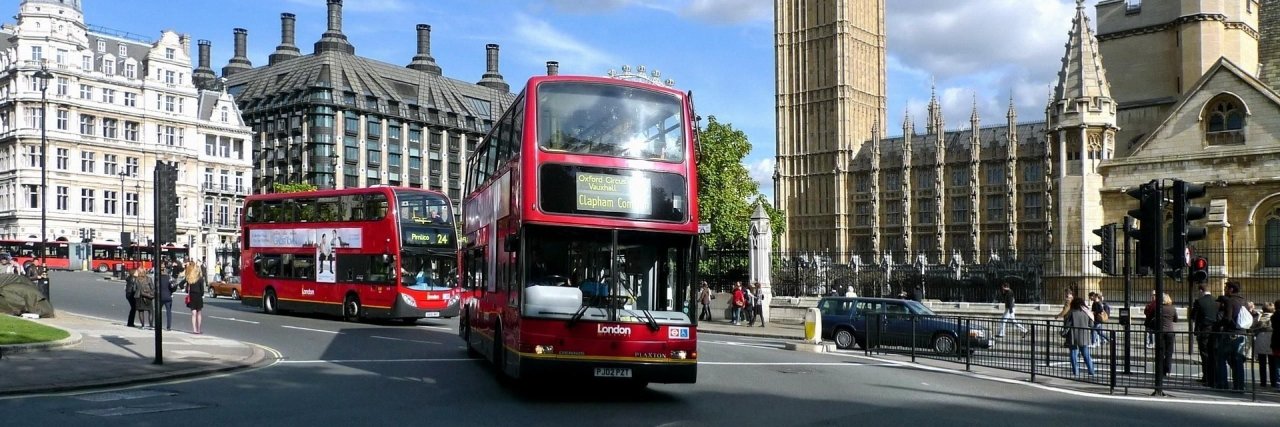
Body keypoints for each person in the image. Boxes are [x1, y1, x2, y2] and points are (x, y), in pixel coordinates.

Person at [1215, 281, 1249, 390]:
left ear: (1231, 289)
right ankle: (1239, 385)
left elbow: (1228, 318)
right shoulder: (1244, 301)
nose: (1224, 290)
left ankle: (1222, 384)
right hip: (1242, 333)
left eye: (1226, 288)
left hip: (1230, 333)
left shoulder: (1231, 301)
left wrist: (1219, 324)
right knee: (1238, 360)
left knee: (1221, 358)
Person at [1189, 284, 1219, 385]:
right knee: (1213, 355)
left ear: (1201, 291)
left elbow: (1192, 316)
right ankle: (1214, 377)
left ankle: (1206, 377)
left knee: (1205, 354)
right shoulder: (1216, 301)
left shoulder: (1199, 302)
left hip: (1203, 331)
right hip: (1214, 331)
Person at [1064, 296, 1096, 376]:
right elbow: (1091, 324)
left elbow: (1068, 324)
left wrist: (1063, 332)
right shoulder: (1087, 312)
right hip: (1084, 335)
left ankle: (1076, 372)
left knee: (1074, 354)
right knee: (1086, 354)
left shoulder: (1072, 312)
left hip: (1073, 335)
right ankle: (1091, 371)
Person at [1250, 302, 1275, 389]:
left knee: (1262, 363)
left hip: (1261, 339)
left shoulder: (1260, 316)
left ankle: (1263, 382)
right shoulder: (1274, 316)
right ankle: (1273, 382)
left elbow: (1252, 325)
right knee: (1272, 364)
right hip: (1272, 340)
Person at [1155, 293, 1178, 377]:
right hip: (1170, 332)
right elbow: (1176, 319)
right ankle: (1168, 370)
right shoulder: (1173, 308)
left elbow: (1156, 318)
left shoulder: (1160, 308)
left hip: (1161, 332)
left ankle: (1161, 371)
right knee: (1169, 352)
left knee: (1161, 351)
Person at [185, 261, 206, 334]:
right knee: (199, 313)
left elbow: (186, 289)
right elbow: (202, 290)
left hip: (192, 296)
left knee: (193, 314)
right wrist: (201, 294)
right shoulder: (200, 279)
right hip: (198, 296)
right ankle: (199, 329)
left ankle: (194, 329)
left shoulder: (189, 279)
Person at [158, 266, 175, 331]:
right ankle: (168, 327)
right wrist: (171, 292)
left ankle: (158, 324)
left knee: (158, 312)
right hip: (168, 296)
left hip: (160, 296)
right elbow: (172, 287)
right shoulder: (169, 278)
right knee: (168, 312)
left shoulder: (159, 278)